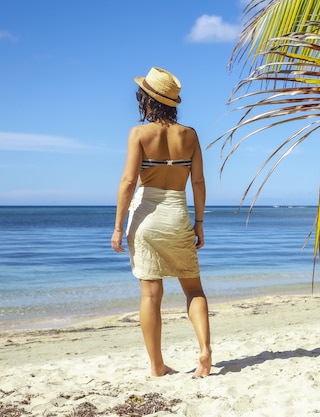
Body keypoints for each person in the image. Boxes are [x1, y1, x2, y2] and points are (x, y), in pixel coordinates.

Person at [111, 66, 211, 378]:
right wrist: (199, 222)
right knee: (193, 289)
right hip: (178, 213)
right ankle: (205, 351)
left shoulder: (139, 134)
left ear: (146, 99)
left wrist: (117, 227)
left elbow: (128, 182)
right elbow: (198, 183)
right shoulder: (190, 135)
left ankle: (157, 365)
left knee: (151, 295)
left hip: (146, 217)